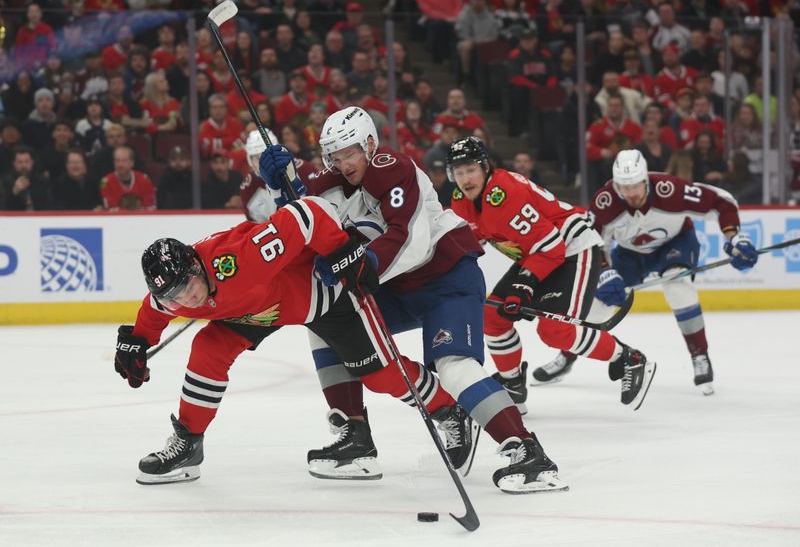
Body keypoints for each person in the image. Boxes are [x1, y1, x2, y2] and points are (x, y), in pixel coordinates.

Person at [256, 107, 568, 494]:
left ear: (370, 144)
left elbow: (410, 239)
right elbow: (300, 227)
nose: (342, 163)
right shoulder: (328, 183)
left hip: (446, 278)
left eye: (349, 152)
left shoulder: (395, 169)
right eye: (334, 156)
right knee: (325, 323)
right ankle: (355, 437)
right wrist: (278, 188)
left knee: (453, 366)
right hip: (394, 287)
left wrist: (362, 262)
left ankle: (526, 451)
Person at [114, 197, 462, 484]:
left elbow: (306, 213)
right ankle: (189, 444)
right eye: (175, 297)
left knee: (380, 375)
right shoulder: (172, 294)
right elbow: (154, 310)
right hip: (263, 309)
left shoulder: (238, 258)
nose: (187, 301)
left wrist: (342, 250)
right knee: (208, 348)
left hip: (325, 296)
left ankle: (449, 410)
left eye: (187, 288)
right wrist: (138, 342)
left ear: (197, 267)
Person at [445, 137, 656, 412]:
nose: (465, 178)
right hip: (538, 253)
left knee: (554, 330)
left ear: (485, 168)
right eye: (458, 172)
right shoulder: (461, 199)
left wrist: (524, 285)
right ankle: (513, 384)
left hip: (571, 248)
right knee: (491, 317)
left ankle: (630, 358)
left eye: (470, 169)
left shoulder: (504, 193)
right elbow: (469, 241)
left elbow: (552, 246)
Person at [532, 150, 757, 395]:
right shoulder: (606, 201)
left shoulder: (671, 190)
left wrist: (734, 237)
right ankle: (568, 355)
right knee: (598, 306)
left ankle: (699, 355)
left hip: (676, 244)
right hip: (629, 254)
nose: (631, 194)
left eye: (636, 186)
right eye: (624, 187)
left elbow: (720, 200)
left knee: (679, 288)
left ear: (646, 180)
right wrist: (604, 272)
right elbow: (591, 240)